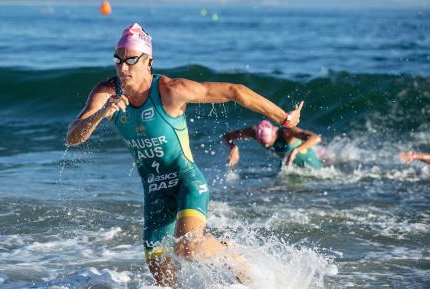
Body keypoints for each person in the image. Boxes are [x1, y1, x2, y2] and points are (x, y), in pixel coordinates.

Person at [66, 23, 304, 287]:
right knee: (165, 282)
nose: (123, 68)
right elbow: (73, 137)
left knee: (187, 247)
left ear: (149, 62)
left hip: (188, 182)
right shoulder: (107, 93)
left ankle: (231, 253)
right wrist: (101, 114)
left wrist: (284, 119)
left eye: (131, 60)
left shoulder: (170, 90)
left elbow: (234, 91)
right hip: (154, 193)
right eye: (118, 60)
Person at [222, 120, 322, 169]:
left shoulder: (287, 132)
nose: (266, 146)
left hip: (307, 159)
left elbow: (316, 138)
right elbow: (226, 136)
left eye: (267, 143)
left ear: (274, 134)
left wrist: (295, 151)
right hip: (287, 162)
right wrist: (233, 147)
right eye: (261, 142)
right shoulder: (253, 132)